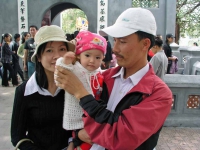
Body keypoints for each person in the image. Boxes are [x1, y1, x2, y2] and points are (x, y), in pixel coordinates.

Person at [55, 8, 172, 150]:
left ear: (145, 44)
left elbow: (120, 137)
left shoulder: (158, 94)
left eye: (122, 42)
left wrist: (81, 93)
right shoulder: (103, 77)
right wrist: (78, 134)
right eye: (115, 41)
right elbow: (79, 116)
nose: (115, 49)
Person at [11, 25, 75, 150]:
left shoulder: (72, 86)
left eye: (62, 49)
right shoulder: (24, 91)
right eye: (49, 50)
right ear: (39, 57)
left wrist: (73, 143)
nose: (57, 56)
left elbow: (79, 124)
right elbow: (17, 137)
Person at [55, 30, 106, 150]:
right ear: (78, 55)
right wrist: (65, 61)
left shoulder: (98, 72)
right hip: (78, 118)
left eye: (97, 57)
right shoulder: (76, 69)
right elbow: (61, 71)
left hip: (93, 117)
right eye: (87, 55)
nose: (92, 60)